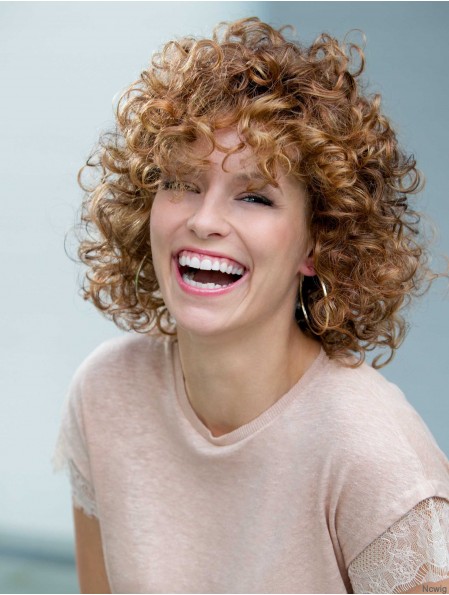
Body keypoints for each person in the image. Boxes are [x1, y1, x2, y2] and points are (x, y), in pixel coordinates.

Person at [54, 17, 449, 594]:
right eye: (182, 182)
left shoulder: (376, 458)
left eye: (255, 197)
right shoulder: (105, 394)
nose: (204, 220)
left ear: (318, 243)